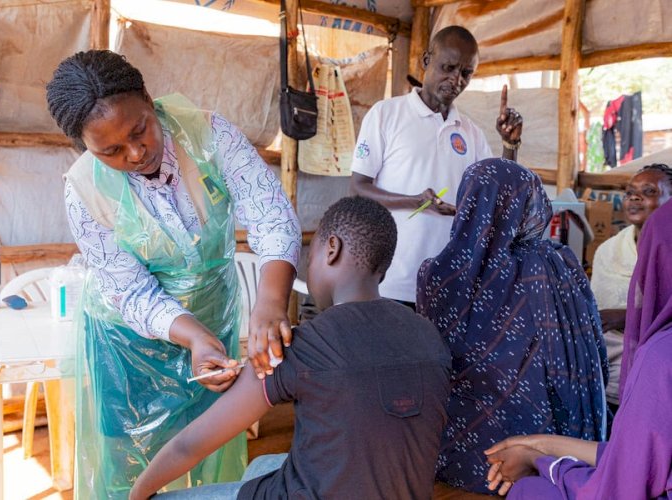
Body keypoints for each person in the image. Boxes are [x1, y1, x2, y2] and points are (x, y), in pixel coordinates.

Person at [46, 50, 301, 498]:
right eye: (110, 151)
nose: (135, 152)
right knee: (129, 457)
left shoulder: (210, 135)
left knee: (211, 440)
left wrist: (270, 301)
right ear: (85, 147)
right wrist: (193, 337)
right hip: (126, 343)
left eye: (139, 130)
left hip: (213, 317)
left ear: (149, 98)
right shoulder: (83, 190)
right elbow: (131, 290)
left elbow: (270, 215)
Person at [129, 196, 452, 500]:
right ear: (383, 267)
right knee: (263, 464)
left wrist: (138, 494)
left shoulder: (307, 343)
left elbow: (189, 446)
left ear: (332, 249)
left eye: (310, 255)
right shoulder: (427, 334)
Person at [417, 159, 608, 494]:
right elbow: (592, 348)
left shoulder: (439, 273)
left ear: (468, 202)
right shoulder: (555, 264)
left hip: (457, 453)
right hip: (549, 454)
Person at [484, 198, 672, 500]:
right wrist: (539, 445)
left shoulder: (661, 356)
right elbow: (639, 456)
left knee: (529, 490)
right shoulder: (563, 261)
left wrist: (541, 463)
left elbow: (621, 485)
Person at [350, 25, 523, 307]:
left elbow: (498, 193)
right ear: (426, 60)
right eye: (448, 67)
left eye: (466, 73)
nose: (456, 80)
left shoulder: (471, 133)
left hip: (448, 285)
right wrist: (414, 201)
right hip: (391, 281)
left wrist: (509, 144)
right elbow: (358, 188)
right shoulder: (386, 115)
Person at [590, 163, 672, 412]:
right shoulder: (608, 251)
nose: (635, 198)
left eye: (649, 191)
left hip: (657, 379)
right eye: (630, 192)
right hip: (609, 376)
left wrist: (627, 317)